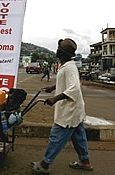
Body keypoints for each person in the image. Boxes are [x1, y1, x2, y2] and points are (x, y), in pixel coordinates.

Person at [31, 38, 93, 173]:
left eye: (58, 49)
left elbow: (74, 88)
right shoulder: (66, 66)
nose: (56, 50)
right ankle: (85, 161)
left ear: (62, 52)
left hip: (69, 110)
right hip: (74, 109)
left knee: (56, 137)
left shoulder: (70, 67)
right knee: (78, 136)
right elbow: (69, 83)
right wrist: (53, 87)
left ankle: (44, 164)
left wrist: (55, 99)